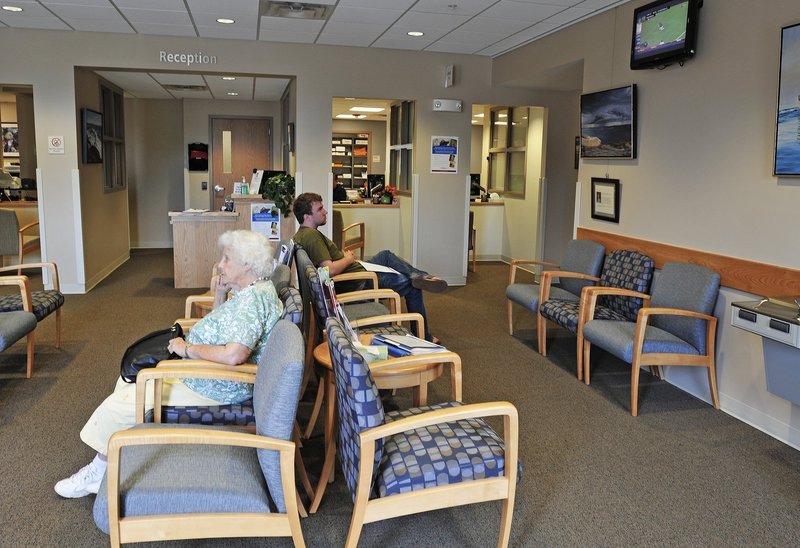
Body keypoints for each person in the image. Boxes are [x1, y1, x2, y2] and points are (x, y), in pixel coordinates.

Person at [55, 230, 283, 499]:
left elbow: (234, 355)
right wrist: (221, 294)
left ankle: (97, 472)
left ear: (246, 264)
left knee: (120, 403)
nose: (220, 265)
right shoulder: (252, 291)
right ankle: (116, 454)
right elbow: (223, 327)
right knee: (128, 380)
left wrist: (187, 349)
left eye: (226, 258)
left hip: (216, 384)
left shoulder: (251, 302)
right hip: (210, 374)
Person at [292, 192, 446, 342]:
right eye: (320, 209)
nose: (325, 211)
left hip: (358, 271)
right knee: (412, 286)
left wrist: (345, 258)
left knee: (386, 255)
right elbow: (329, 270)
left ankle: (420, 276)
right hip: (359, 281)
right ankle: (423, 336)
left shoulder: (301, 235)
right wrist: (348, 259)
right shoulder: (312, 236)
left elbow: (325, 266)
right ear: (307, 217)